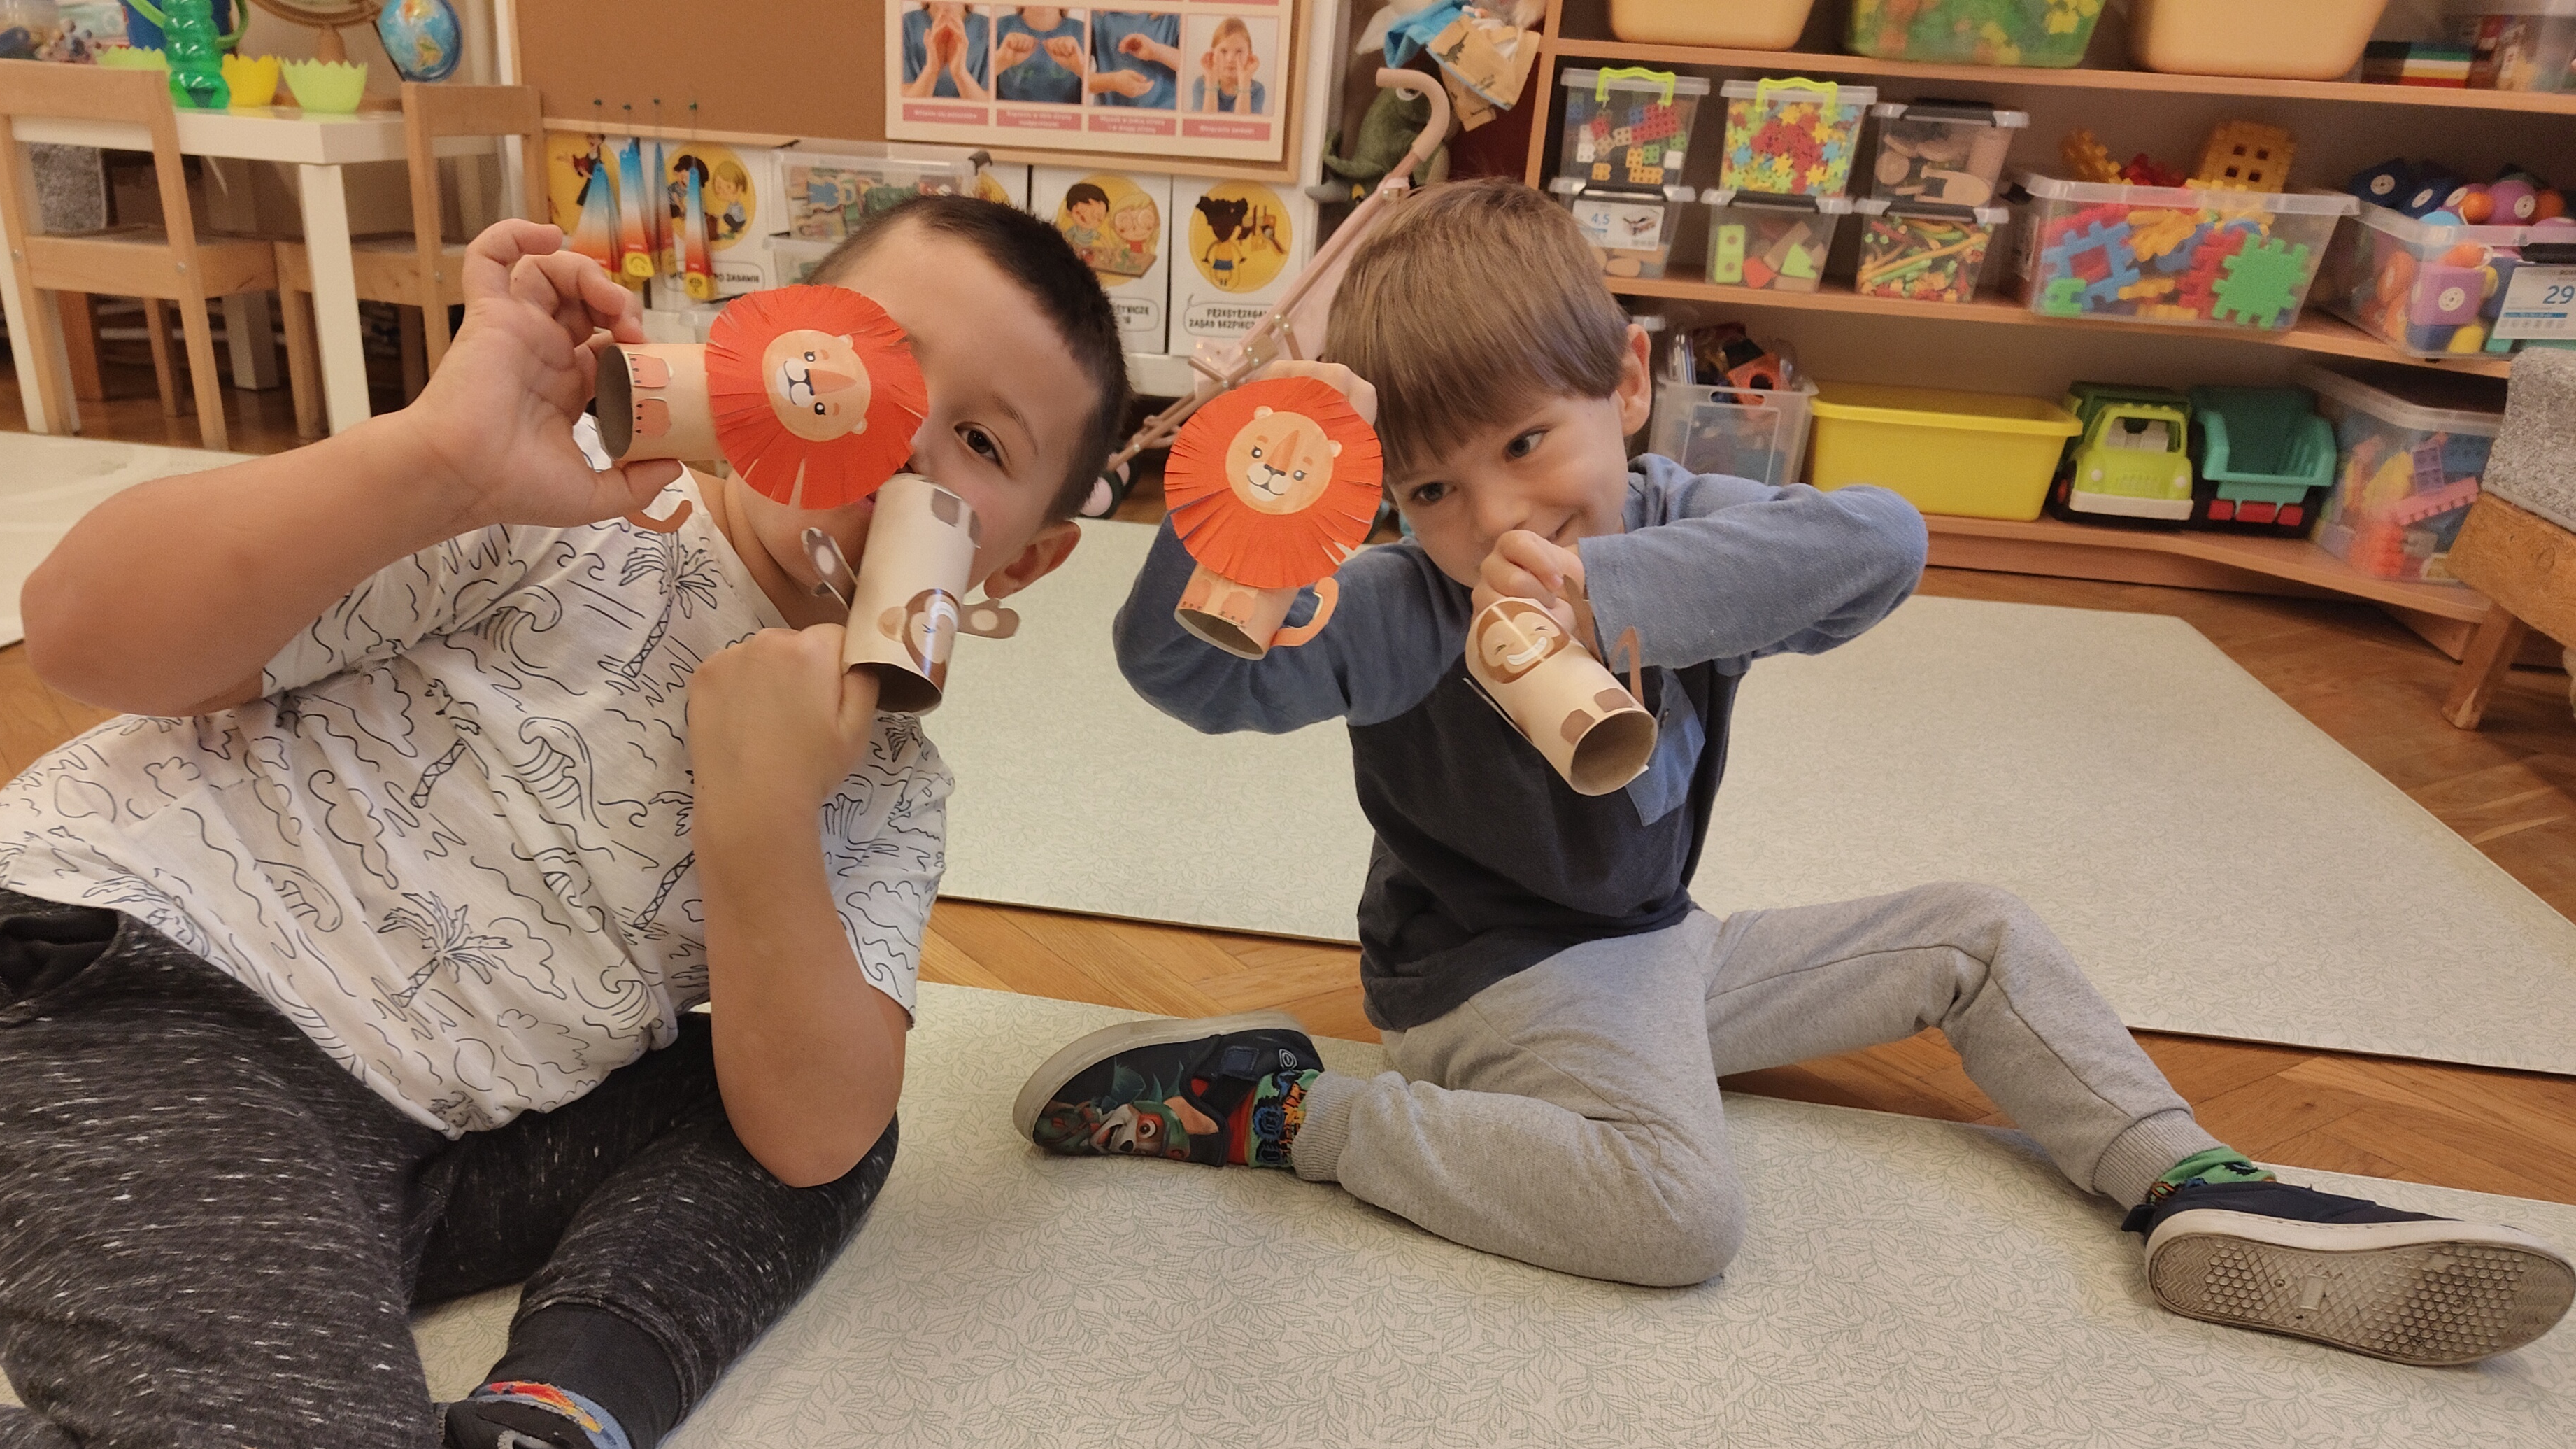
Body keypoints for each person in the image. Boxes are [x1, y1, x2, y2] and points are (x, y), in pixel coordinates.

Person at [0, 197, 1131, 1449]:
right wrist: (437, 460)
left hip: (392, 1142)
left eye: (979, 445)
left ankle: (547, 1431)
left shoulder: (892, 783)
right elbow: (82, 629)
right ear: (761, 346)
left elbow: (809, 1127)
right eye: (871, 363)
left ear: (1028, 554)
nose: (899, 443)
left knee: (832, 1097)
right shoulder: (562, 512)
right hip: (102, 1010)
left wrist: (764, 810)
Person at [1016, 178, 2574, 1370]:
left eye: (1527, 444)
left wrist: (1606, 596)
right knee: (1675, 1215)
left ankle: (2185, 1180)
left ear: (1627, 385)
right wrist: (1231, 501)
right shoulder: (1403, 607)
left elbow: (1878, 545)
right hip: (1492, 986)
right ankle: (1286, 1108)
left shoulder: (1678, 527)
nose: (1492, 518)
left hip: (1662, 944)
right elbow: (1185, 675)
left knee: (1976, 932)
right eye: (1428, 487)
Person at [1188, 16, 1267, 114]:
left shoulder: (1257, 90)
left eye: (1239, 52)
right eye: (1224, 51)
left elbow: (1244, 124)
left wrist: (1244, 83)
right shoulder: (1201, 84)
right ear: (1212, 54)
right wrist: (1211, 82)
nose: (1230, 59)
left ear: (1249, 56)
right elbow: (1205, 122)